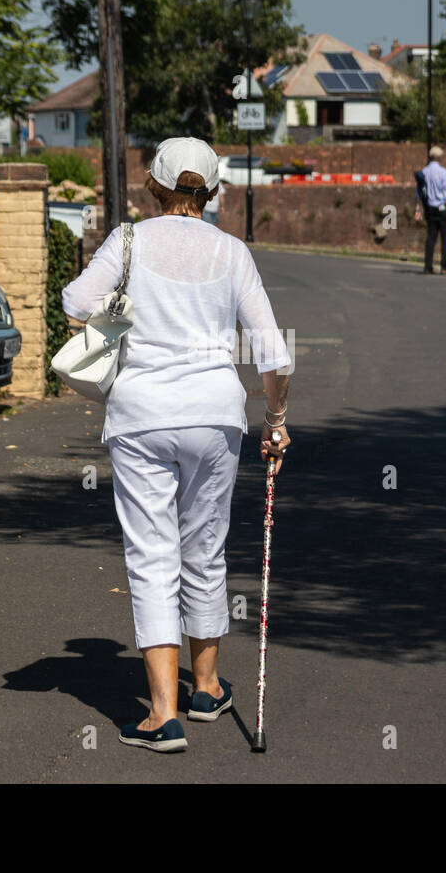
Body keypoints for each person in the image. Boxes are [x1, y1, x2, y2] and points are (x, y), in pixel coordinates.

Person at [61, 137, 292, 754]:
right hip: (216, 413)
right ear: (212, 191)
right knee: (205, 545)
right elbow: (273, 351)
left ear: (153, 186)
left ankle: (162, 714)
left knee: (152, 553)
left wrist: (123, 316)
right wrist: (275, 418)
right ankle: (207, 687)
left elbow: (75, 304)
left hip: (142, 413)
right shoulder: (233, 252)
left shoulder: (130, 241)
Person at [419, 145, 446, 274]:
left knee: (431, 237)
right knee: (445, 238)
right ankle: (445, 267)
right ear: (440, 157)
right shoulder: (443, 172)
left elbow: (421, 192)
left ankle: (428, 266)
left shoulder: (424, 172)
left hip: (429, 208)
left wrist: (419, 209)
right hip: (442, 208)